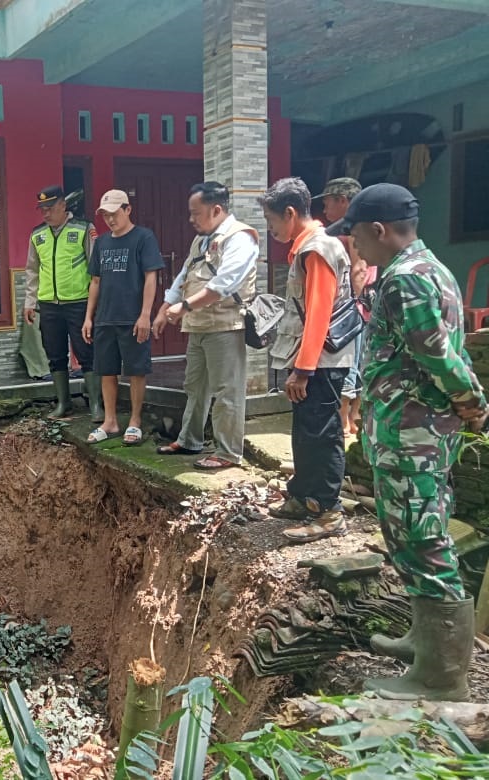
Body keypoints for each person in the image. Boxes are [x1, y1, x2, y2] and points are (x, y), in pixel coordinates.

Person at [329, 183, 487, 701]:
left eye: (354, 236)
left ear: (378, 231)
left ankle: (441, 677)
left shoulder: (404, 282)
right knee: (411, 536)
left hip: (413, 435)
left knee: (422, 541)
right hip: (414, 433)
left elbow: (440, 358)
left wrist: (473, 402)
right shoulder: (427, 269)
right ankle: (424, 639)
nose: (354, 247)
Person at [260, 177, 355, 542]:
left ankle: (328, 510)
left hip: (322, 361)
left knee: (322, 432)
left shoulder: (317, 249)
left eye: (272, 223)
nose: (271, 231)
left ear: (290, 213)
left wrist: (302, 370)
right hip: (314, 358)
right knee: (305, 429)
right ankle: (303, 495)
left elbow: (318, 313)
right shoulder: (307, 248)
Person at [152, 181, 259, 470]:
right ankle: (190, 439)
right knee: (195, 386)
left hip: (225, 324)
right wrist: (164, 308)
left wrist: (184, 307)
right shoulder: (201, 240)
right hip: (198, 325)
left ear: (216, 209)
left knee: (227, 390)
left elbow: (224, 284)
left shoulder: (240, 238)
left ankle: (227, 452)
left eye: (195, 213)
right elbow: (183, 276)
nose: (191, 219)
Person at [82, 190, 164, 444]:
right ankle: (110, 421)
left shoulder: (143, 237)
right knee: (106, 370)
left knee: (137, 370)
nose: (110, 219)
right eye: (105, 215)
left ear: (128, 210)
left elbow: (152, 277)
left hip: (132, 317)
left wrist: (145, 315)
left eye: (114, 213)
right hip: (106, 317)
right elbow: (95, 281)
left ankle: (135, 421)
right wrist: (89, 317)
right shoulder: (103, 242)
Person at [23, 185, 102, 421]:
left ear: (63, 205)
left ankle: (96, 405)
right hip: (48, 305)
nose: (46, 213)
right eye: (42, 209)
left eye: (50, 208)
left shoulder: (84, 229)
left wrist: (95, 305)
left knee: (87, 353)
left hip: (79, 302)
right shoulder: (37, 235)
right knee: (55, 355)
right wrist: (30, 302)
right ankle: (63, 403)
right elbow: (32, 271)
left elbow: (96, 269)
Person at [314, 177, 369, 436]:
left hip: (356, 304)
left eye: (327, 203)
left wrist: (354, 307)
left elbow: (359, 269)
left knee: (350, 359)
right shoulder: (366, 224)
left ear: (343, 201)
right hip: (369, 302)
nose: (324, 210)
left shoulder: (351, 229)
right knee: (362, 358)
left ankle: (344, 420)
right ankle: (355, 416)